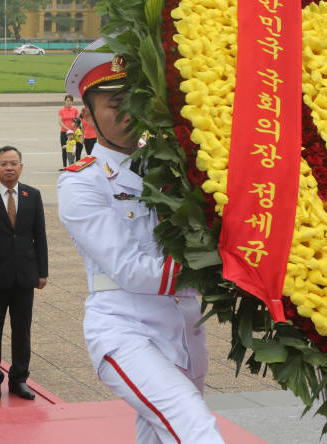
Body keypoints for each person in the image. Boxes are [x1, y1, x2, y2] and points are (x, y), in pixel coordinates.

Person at [57, 38, 224, 444]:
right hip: (125, 329)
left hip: (185, 329)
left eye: (135, 100)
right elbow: (130, 269)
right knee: (195, 430)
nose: (128, 113)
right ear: (88, 115)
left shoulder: (172, 167)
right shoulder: (82, 182)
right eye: (114, 104)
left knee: (159, 435)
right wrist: (218, 264)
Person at [0, 146, 48, 402]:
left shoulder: (32, 195)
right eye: (4, 164)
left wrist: (42, 271)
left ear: (21, 167)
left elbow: (40, 237)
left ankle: (19, 379)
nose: (9, 168)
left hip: (24, 276)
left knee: (22, 331)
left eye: (14, 163)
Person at [58, 94, 79, 170]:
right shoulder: (61, 111)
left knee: (74, 148)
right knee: (64, 148)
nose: (69, 102)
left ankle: (73, 164)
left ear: (72, 102)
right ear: (65, 101)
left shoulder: (75, 110)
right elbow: (60, 122)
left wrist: (74, 130)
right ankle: (64, 165)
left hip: (73, 133)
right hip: (64, 132)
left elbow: (78, 121)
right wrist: (68, 129)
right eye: (67, 100)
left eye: (70, 101)